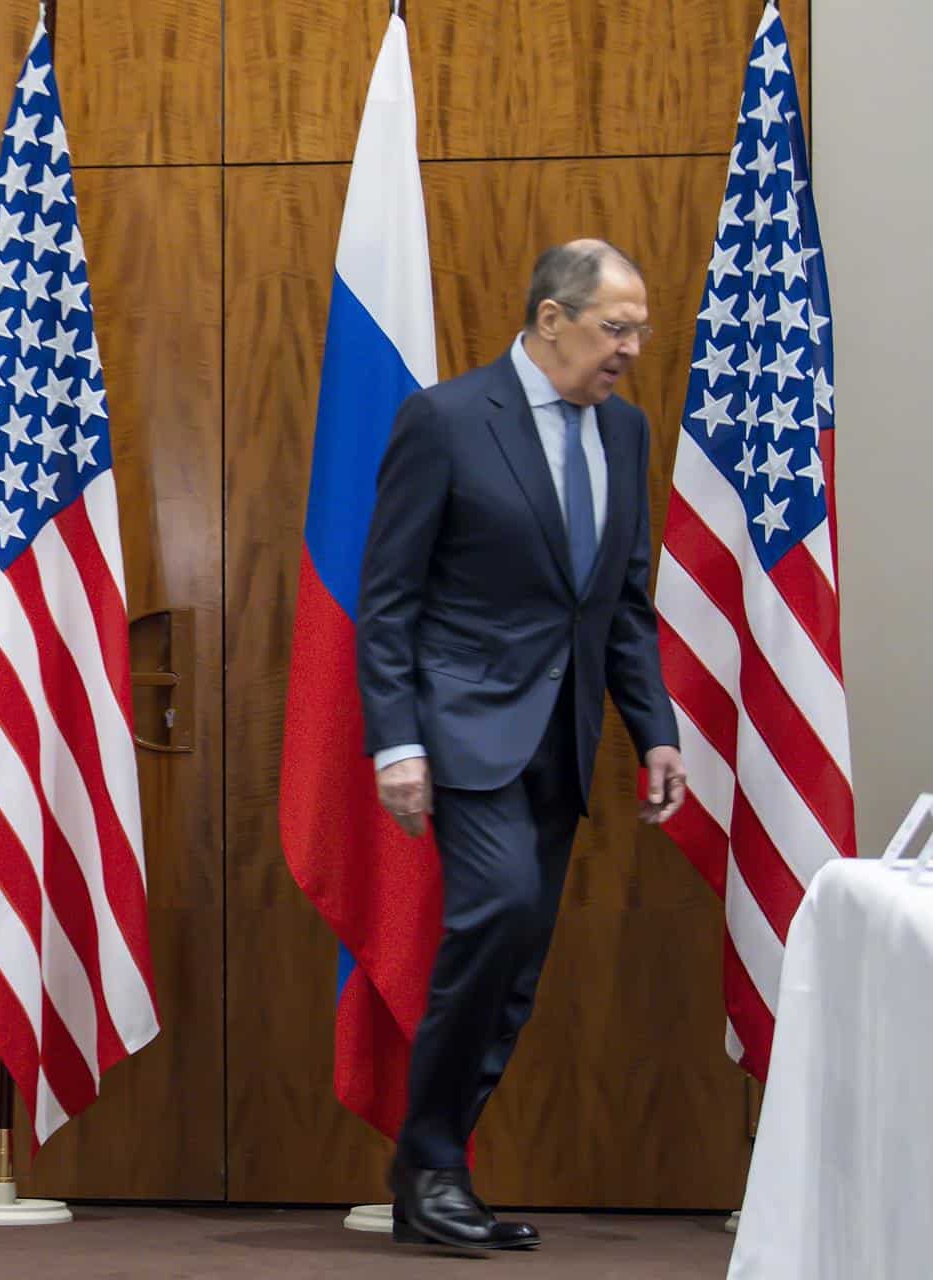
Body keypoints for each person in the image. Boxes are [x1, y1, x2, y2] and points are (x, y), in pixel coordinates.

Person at [356, 241, 688, 1251]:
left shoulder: (623, 432)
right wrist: (396, 742)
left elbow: (621, 602)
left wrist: (656, 729)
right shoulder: (448, 420)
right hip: (464, 728)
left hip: (564, 736)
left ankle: (434, 1167)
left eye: (638, 328)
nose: (631, 347)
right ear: (552, 319)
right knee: (494, 912)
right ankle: (432, 1160)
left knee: (518, 963)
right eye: (614, 327)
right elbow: (388, 601)